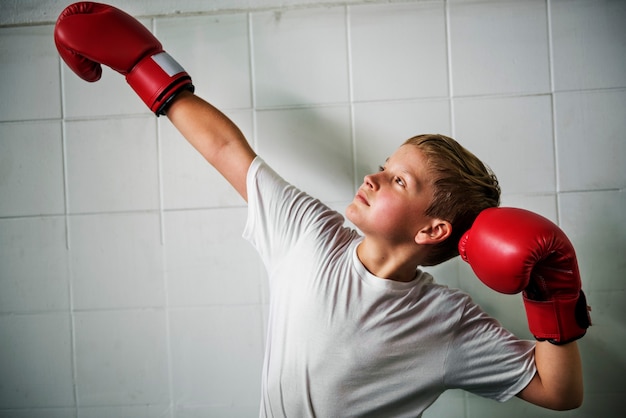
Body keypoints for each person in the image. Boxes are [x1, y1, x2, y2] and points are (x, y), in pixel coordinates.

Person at [54, 2, 591, 416]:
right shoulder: (310, 234)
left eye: (397, 179)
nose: (372, 177)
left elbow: (559, 393)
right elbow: (227, 150)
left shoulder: (448, 321)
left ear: (433, 228)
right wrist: (144, 65)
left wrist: (553, 294)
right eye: (385, 164)